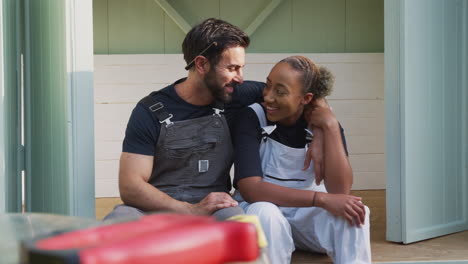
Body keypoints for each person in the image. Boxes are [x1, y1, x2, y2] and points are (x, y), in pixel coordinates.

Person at [104, 18, 265, 221]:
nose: (240, 77)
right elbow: (130, 186)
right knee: (116, 222)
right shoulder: (149, 110)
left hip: (216, 208)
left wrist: (319, 119)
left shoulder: (236, 94)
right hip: (153, 208)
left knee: (242, 228)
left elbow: (293, 92)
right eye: (232, 68)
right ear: (201, 64)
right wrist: (190, 209)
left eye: (241, 68)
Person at [232, 56, 371, 263]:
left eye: (280, 92)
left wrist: (330, 126)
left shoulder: (322, 123)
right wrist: (320, 199)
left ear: (306, 99)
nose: (268, 97)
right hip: (261, 211)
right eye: (268, 86)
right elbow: (251, 190)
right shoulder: (252, 117)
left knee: (357, 211)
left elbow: (340, 191)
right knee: (266, 212)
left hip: (303, 213)